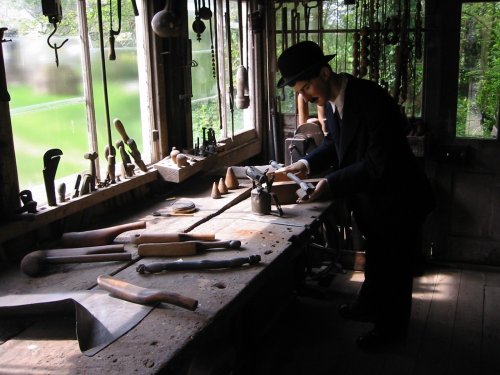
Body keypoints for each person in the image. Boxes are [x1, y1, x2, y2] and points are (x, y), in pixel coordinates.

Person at [275, 41, 435, 350]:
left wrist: (331, 183)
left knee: (395, 268)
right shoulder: (334, 105)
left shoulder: (371, 99)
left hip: (400, 199)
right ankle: (368, 306)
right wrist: (305, 164)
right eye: (299, 91)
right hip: (373, 200)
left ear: (324, 72)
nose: (305, 96)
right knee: (376, 256)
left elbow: (378, 164)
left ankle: (390, 332)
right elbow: (335, 145)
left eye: (307, 86)